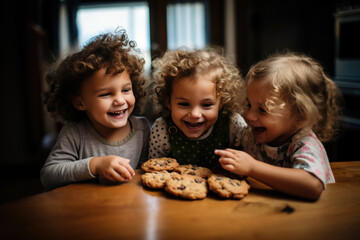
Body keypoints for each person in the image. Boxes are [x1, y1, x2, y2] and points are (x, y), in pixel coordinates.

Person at [215, 51, 343, 200]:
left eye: (263, 110)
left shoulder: (304, 143)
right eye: (248, 105)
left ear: (301, 115)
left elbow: (312, 186)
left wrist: (252, 167)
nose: (249, 116)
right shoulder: (249, 137)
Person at [40, 30, 150, 190]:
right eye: (106, 94)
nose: (120, 100)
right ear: (80, 102)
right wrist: (95, 165)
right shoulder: (75, 133)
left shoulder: (143, 128)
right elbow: (48, 176)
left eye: (126, 90)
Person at [148, 47, 247, 168]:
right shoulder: (162, 130)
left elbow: (248, 163)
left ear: (221, 103)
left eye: (206, 105)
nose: (195, 114)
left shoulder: (233, 125)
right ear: (168, 102)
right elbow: (154, 170)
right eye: (184, 104)